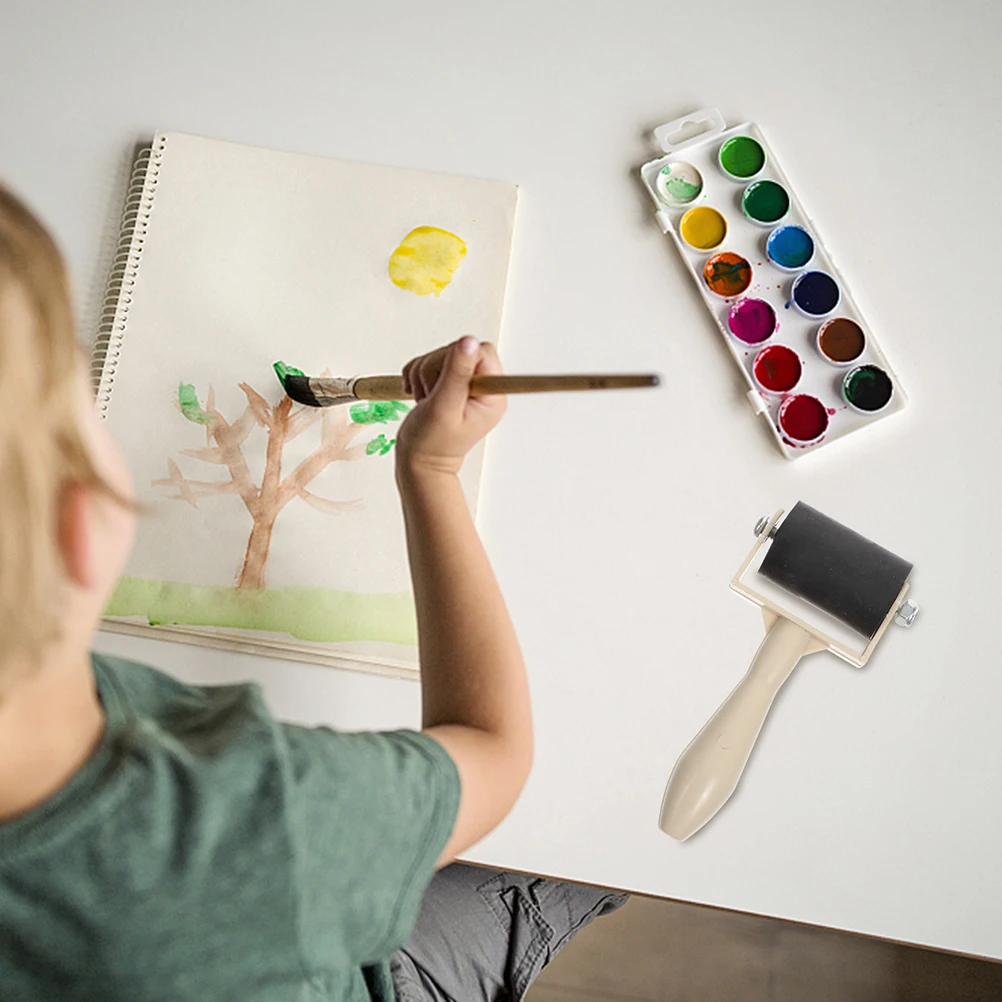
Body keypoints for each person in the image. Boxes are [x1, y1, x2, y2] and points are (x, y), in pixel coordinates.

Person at [0, 183, 626, 1001]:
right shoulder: (263, 825)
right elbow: (493, 749)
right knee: (590, 856)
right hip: (345, 952)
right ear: (81, 525)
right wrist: (432, 474)